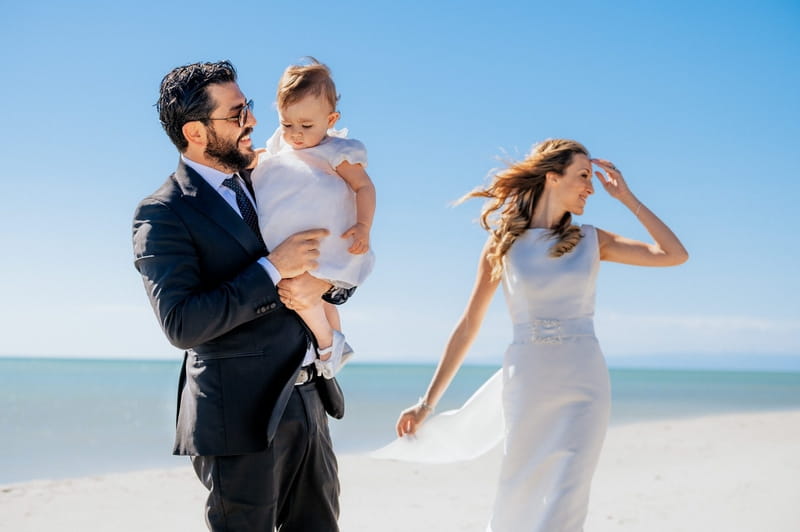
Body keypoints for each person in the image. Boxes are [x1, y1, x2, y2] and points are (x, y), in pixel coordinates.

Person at [392, 139, 688, 531]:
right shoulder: (504, 244)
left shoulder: (591, 240)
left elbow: (673, 254)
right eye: (583, 175)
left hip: (584, 383)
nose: (591, 187)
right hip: (528, 383)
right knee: (519, 492)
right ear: (552, 176)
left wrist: (627, 198)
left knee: (568, 495)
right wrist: (426, 403)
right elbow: (468, 326)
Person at [132, 60, 350, 532]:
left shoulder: (270, 176)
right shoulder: (162, 213)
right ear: (196, 131)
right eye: (236, 114)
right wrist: (272, 268)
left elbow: (328, 246)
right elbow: (182, 324)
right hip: (236, 414)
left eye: (247, 106)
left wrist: (331, 283)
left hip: (310, 396)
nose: (252, 120)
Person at [251, 58, 376, 374]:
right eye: (286, 124)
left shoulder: (337, 150)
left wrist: (363, 226)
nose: (295, 134)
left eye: (306, 126)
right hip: (290, 242)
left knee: (303, 295)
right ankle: (338, 343)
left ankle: (326, 345)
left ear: (331, 119)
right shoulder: (281, 143)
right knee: (309, 296)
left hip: (324, 241)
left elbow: (364, 187)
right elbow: (266, 157)